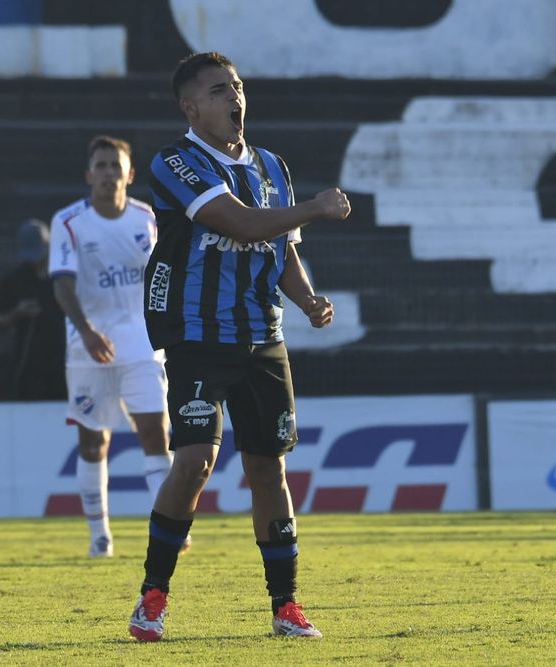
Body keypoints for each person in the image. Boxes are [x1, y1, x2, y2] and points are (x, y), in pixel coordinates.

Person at [128, 52, 351, 641]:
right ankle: (153, 595)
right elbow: (244, 224)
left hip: (264, 336)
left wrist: (307, 299)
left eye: (238, 86)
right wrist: (318, 207)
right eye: (218, 90)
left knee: (269, 469)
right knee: (195, 462)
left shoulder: (272, 165)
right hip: (198, 336)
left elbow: (282, 248)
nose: (234, 97)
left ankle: (286, 605)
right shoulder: (175, 161)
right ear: (190, 107)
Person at [49, 135, 175, 558]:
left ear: (129, 174)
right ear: (89, 175)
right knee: (93, 443)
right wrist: (85, 330)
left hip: (141, 342)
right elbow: (62, 284)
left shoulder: (147, 219)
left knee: (155, 433)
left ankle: (168, 527)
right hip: (89, 346)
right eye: (100, 166)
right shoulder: (69, 222)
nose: (107, 174)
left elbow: (165, 276)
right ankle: (99, 535)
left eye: (114, 167)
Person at [0, 219, 67, 401]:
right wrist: (17, 313)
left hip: (65, 360)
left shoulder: (65, 278)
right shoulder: (13, 280)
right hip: (30, 364)